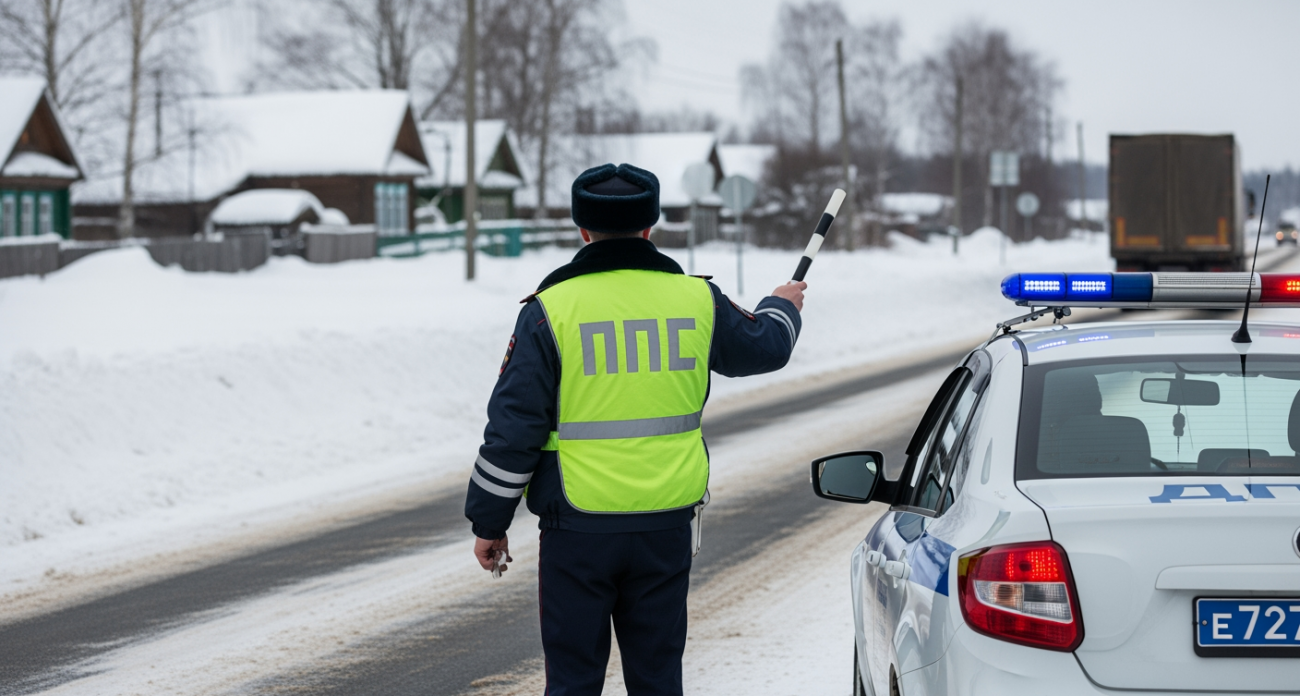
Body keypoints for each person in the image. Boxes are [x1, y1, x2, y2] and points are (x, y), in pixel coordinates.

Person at [464, 162, 805, 695]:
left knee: (574, 679)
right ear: (651, 226)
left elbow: (513, 430)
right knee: (657, 678)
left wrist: (489, 520)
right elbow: (766, 347)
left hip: (576, 530)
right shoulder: (696, 299)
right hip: (665, 526)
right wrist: (781, 307)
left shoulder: (550, 311)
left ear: (582, 229)